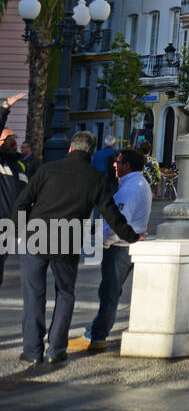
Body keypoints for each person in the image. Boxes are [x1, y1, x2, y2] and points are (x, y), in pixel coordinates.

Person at [11, 131, 141, 365]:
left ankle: (31, 351)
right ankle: (56, 350)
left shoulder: (47, 170)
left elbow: (21, 202)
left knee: (33, 294)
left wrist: (20, 231)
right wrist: (132, 236)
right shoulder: (96, 178)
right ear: (91, 153)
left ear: (70, 149)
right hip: (66, 240)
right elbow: (112, 215)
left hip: (35, 235)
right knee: (65, 293)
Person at [68, 148, 153, 353]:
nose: (114, 164)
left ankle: (96, 336)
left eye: (119, 161)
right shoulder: (136, 184)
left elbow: (120, 223)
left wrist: (103, 242)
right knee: (110, 291)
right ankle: (96, 333)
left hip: (120, 248)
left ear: (128, 165)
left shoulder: (131, 188)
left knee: (109, 292)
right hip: (125, 245)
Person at [0, 129, 30, 286]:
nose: (13, 142)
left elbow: (25, 198)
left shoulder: (20, 166)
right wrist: (4, 109)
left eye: (14, 138)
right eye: (8, 139)